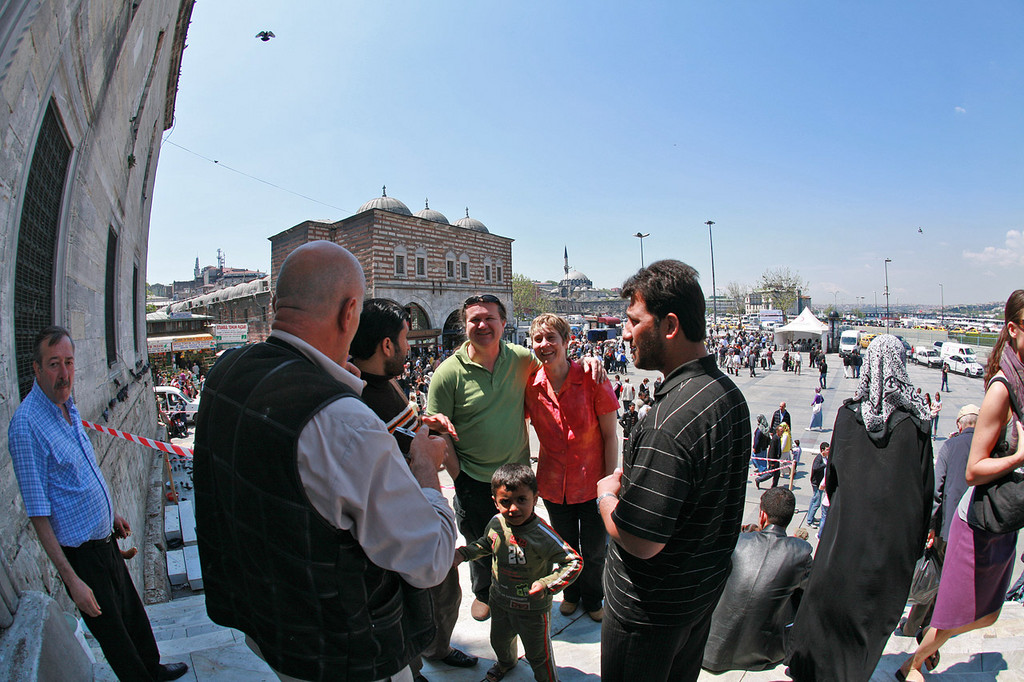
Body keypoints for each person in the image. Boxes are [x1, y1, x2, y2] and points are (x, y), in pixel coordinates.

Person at [193, 242, 457, 682]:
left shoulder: (226, 370)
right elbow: (429, 556)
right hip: (345, 652)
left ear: (275, 304)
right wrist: (425, 467)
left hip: (270, 627)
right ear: (350, 312)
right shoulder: (344, 423)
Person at [595, 260, 751, 682]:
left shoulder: (668, 423)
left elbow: (641, 540)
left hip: (648, 616)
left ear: (670, 325)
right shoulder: (727, 394)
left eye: (634, 321)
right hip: (697, 599)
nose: (624, 333)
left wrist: (606, 496)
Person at [7, 327, 189, 682]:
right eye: (54, 364)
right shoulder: (26, 427)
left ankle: (153, 669)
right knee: (115, 636)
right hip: (83, 557)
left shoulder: (67, 406)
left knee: (133, 615)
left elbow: (82, 473)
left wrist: (112, 514)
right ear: (37, 369)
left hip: (105, 540)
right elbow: (39, 515)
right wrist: (73, 581)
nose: (64, 373)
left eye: (69, 362)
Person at [426, 295, 602, 622]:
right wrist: (459, 476)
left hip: (517, 478)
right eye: (474, 319)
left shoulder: (521, 359)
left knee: (523, 539)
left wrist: (588, 360)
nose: (482, 325)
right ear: (465, 326)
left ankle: (526, 588)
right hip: (473, 477)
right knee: (479, 539)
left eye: (489, 318)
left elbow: (556, 364)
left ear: (503, 323)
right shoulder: (447, 373)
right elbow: (437, 430)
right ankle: (484, 593)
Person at [786, 335, 934, 682]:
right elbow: (924, 493)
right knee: (870, 623)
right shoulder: (916, 425)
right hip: (889, 549)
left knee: (830, 612)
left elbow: (833, 481)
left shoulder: (847, 415)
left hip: (844, 537)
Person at [897, 290, 1024, 682]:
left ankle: (920, 653)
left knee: (989, 614)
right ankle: (913, 662)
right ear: (1013, 329)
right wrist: (1020, 457)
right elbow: (973, 469)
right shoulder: (1002, 388)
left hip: (1005, 518)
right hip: (979, 522)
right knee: (957, 612)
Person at [349, 299, 478, 677]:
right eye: (406, 339)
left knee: (445, 594)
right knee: (413, 606)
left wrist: (425, 423)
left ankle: (438, 649)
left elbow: (401, 428)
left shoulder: (385, 378)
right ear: (387, 345)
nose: (409, 348)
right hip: (402, 521)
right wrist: (425, 457)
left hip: (418, 508)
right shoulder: (356, 397)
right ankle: (413, 669)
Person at [524, 313, 618, 622]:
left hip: (592, 484)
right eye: (538, 339)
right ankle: (571, 594)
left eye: (551, 338)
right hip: (553, 486)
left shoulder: (593, 379)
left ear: (566, 341)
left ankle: (593, 597)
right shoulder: (530, 385)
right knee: (564, 549)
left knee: (594, 550)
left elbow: (610, 436)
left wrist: (610, 485)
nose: (545, 344)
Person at [454, 464, 582, 682]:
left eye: (522, 500)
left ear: (535, 498)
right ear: (495, 502)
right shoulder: (496, 523)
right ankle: (506, 663)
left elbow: (573, 562)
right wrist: (464, 554)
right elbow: (487, 544)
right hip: (500, 602)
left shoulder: (542, 534)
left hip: (532, 610)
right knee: (500, 642)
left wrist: (547, 585)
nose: (513, 508)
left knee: (538, 654)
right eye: (505, 501)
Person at [702, 488, 813, 673]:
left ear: (762, 515)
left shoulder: (738, 541)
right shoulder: (801, 552)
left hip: (710, 648)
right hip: (762, 654)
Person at [896, 404, 979, 640]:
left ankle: (912, 627)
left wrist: (931, 527)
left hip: (949, 528)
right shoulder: (988, 449)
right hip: (977, 531)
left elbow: (937, 491)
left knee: (934, 577)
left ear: (959, 425)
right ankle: (943, 625)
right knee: (959, 582)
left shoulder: (951, 446)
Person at [804, 443, 829, 527]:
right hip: (817, 483)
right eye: (827, 450)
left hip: (820, 482)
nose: (828, 451)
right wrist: (824, 465)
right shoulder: (819, 458)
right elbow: (815, 467)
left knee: (814, 500)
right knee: (816, 502)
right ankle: (809, 521)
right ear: (822, 450)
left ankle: (811, 517)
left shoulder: (825, 458)